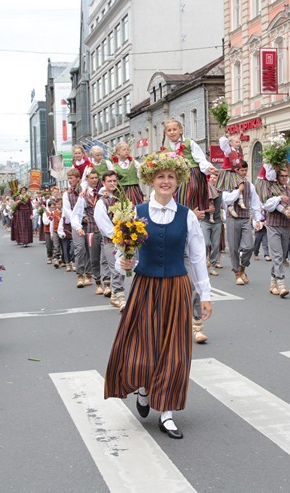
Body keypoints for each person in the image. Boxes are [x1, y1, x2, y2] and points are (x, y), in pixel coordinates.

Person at [105, 151, 212, 439]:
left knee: (174, 352)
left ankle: (166, 411)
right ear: (151, 180)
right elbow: (123, 256)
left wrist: (205, 294)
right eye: (161, 177)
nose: (166, 181)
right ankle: (142, 388)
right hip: (145, 287)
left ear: (178, 182)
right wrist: (125, 262)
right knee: (142, 347)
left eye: (171, 177)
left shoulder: (187, 215)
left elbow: (198, 256)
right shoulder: (135, 213)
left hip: (177, 287)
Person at [262, 168, 290, 297]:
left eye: (286, 176)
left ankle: (273, 283)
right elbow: (267, 205)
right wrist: (279, 198)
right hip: (273, 225)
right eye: (282, 176)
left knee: (281, 256)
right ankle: (281, 284)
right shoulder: (270, 189)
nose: (284, 178)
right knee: (278, 254)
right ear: (276, 176)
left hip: (286, 225)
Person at [161, 118, 217, 214]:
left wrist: (208, 167)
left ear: (181, 131)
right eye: (169, 130)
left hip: (191, 174)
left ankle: (190, 215)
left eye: (174, 129)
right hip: (177, 176)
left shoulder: (189, 143)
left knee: (186, 195)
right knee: (174, 197)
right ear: (166, 133)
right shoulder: (167, 150)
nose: (172, 132)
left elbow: (200, 158)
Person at [221, 161, 263, 285]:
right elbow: (227, 199)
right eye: (241, 170)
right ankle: (237, 273)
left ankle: (243, 268)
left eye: (245, 170)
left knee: (249, 246)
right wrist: (238, 190)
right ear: (236, 171)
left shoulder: (250, 186)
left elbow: (255, 203)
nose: (244, 173)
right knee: (233, 248)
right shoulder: (228, 183)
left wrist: (257, 220)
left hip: (245, 218)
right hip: (232, 218)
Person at [94, 170, 128, 309]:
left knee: (122, 268)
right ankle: (120, 297)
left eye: (114, 181)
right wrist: (116, 235)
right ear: (103, 183)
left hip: (124, 240)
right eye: (110, 181)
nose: (113, 183)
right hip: (111, 240)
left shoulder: (122, 198)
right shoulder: (102, 202)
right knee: (115, 267)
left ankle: (114, 296)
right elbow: (102, 222)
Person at [71, 169, 103, 291]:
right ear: (87, 179)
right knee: (94, 258)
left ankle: (108, 284)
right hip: (92, 229)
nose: (95, 180)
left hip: (105, 230)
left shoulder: (103, 192)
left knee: (106, 257)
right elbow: (76, 214)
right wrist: (78, 227)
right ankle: (98, 283)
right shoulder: (83, 196)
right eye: (92, 178)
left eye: (96, 177)